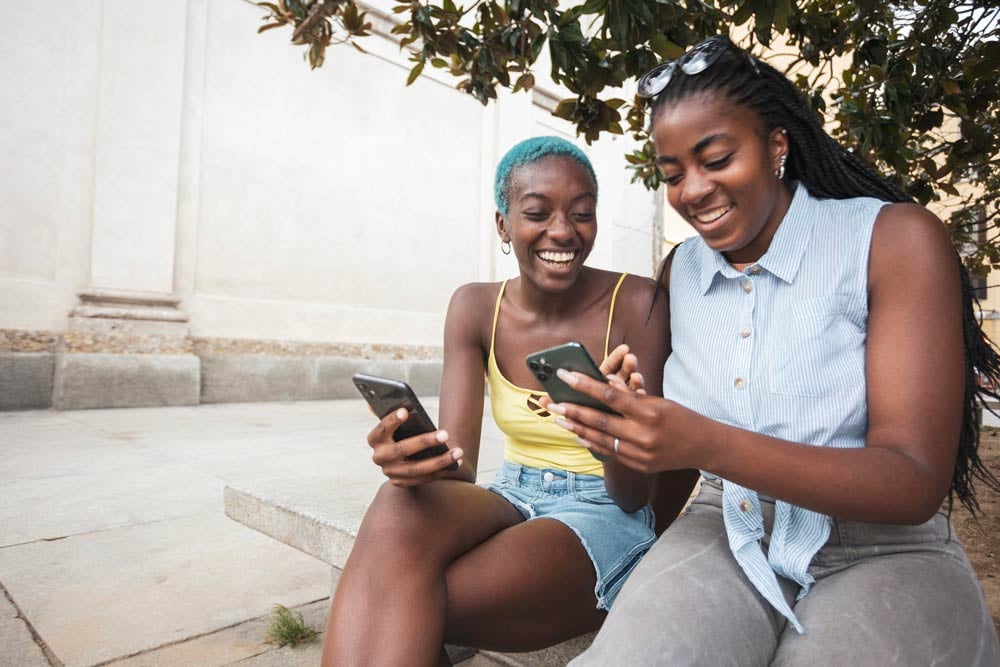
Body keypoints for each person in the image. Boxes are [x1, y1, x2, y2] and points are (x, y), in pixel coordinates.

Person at [545, 35, 1000, 665]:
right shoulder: (683, 274)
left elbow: (913, 481)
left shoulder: (893, 239)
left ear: (776, 146)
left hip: (882, 546)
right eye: (672, 174)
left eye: (717, 158)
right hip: (723, 528)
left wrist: (705, 440)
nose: (693, 191)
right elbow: (642, 495)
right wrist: (621, 440)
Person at [321, 136, 692, 666]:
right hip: (511, 494)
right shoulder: (474, 307)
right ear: (503, 225)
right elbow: (461, 472)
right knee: (397, 507)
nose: (562, 231)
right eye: (537, 213)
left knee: (393, 596)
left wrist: (612, 437)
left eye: (582, 213)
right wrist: (414, 461)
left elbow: (638, 497)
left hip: (604, 510)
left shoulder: (636, 302)